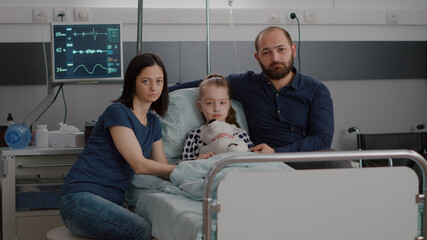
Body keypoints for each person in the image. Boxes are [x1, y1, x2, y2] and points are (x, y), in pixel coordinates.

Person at [170, 26, 351, 169]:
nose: (275, 57)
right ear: (257, 57)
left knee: (338, 162)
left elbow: (322, 138)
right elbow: (206, 84)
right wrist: (158, 91)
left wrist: (276, 152)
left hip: (302, 157)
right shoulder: (246, 84)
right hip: (260, 161)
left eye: (281, 49)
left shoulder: (316, 90)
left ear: (293, 50)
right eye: (267, 52)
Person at [58, 53, 176, 240]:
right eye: (146, 81)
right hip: (80, 197)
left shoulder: (153, 122)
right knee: (140, 229)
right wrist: (181, 170)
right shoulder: (118, 112)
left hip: (111, 201)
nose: (154, 87)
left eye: (159, 81)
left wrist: (193, 166)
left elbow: (162, 167)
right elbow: (139, 164)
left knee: (157, 231)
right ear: (133, 82)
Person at [180, 74, 254, 161]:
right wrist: (197, 161)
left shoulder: (241, 134)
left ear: (229, 105)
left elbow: (252, 161)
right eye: (210, 103)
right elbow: (183, 168)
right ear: (200, 107)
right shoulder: (195, 136)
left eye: (222, 103)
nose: (216, 109)